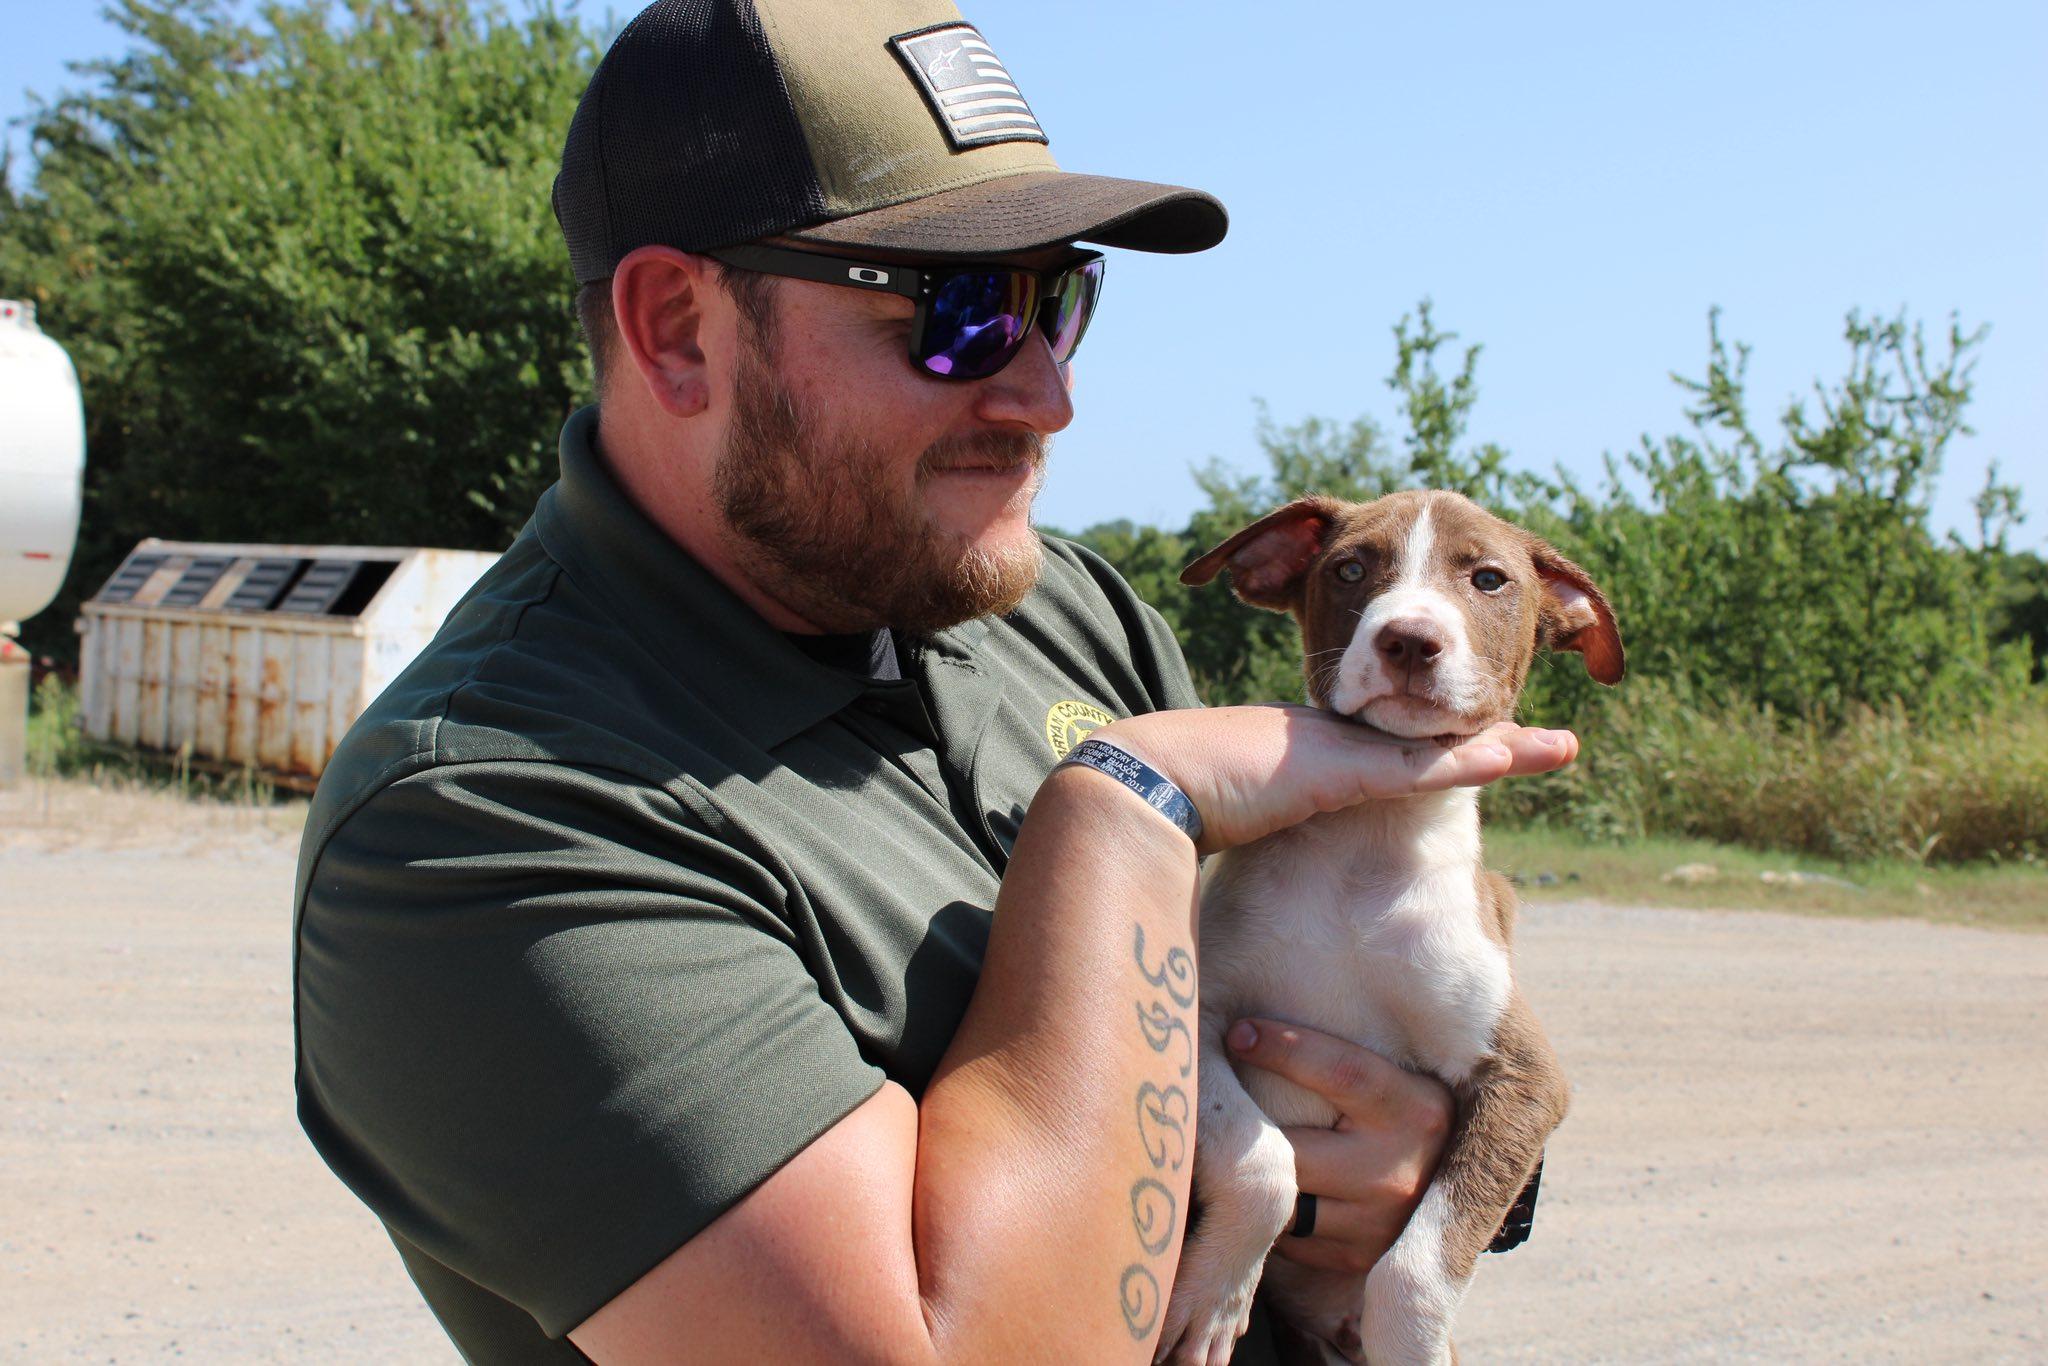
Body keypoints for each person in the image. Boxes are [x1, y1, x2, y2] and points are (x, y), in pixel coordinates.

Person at [291, 2, 1579, 1361]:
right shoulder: (484, 814)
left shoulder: (1061, 609)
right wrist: (1121, 803)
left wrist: (1427, 1162)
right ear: (677, 329)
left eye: (1056, 303)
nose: (1046, 395)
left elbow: (1287, 1045)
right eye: (962, 314)